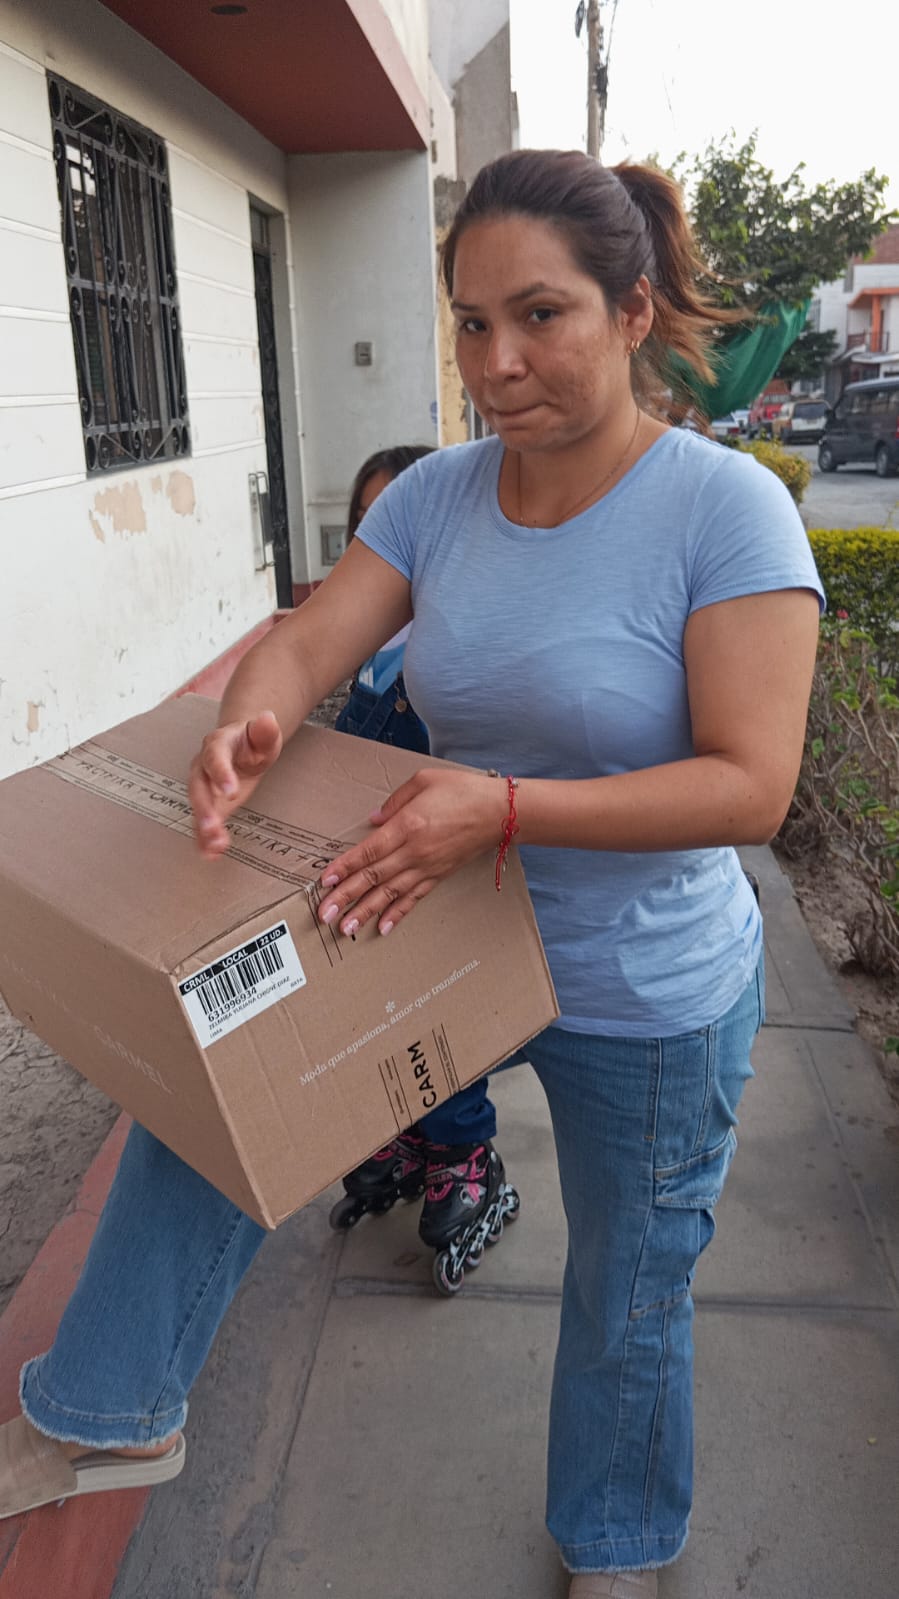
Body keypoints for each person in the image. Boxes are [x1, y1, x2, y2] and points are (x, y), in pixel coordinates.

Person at [0, 149, 823, 1598]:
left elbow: (746, 785)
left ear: (631, 312)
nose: (496, 365)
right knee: (221, 1085)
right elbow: (311, 641)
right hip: (438, 919)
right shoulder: (440, 495)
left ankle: (614, 1543)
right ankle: (106, 1412)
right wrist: (251, 721)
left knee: (628, 1286)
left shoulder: (723, 510)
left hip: (641, 978)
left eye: (540, 316)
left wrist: (498, 807)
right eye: (470, 324)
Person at [330, 445, 518, 1287]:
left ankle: (463, 1149)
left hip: (438, 875)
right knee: (375, 1013)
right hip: (369, 859)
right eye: (363, 530)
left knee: (435, 1017)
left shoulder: (449, 651)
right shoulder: (367, 650)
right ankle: (410, 1131)